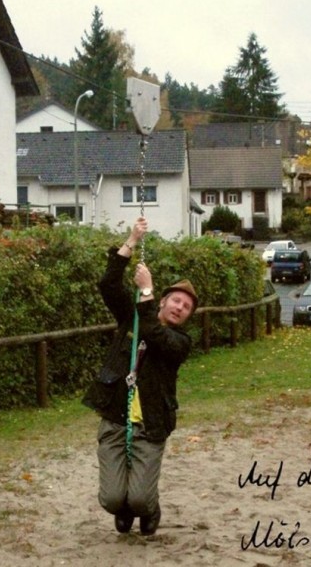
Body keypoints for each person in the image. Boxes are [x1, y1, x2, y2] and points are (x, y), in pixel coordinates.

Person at [82, 216, 198, 535]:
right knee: (111, 498)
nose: (179, 307)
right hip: (116, 417)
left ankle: (147, 507)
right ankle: (123, 507)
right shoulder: (131, 318)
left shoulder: (180, 342)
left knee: (141, 500)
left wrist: (146, 290)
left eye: (186, 307)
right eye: (175, 300)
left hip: (151, 424)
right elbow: (108, 285)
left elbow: (155, 334)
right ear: (163, 301)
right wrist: (131, 241)